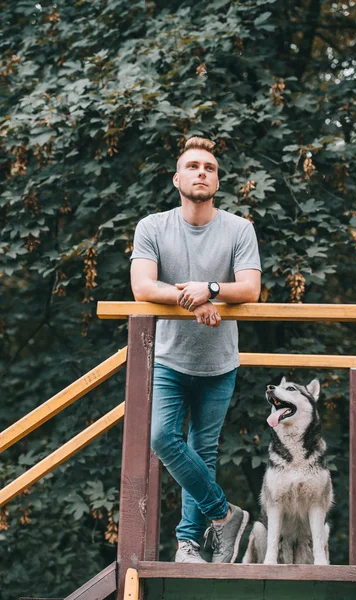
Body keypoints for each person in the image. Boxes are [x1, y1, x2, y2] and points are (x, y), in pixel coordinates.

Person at [130, 137, 261, 564]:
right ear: (177, 178)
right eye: (193, 166)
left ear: (217, 181)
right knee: (163, 438)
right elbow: (142, 287)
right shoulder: (153, 227)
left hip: (219, 362)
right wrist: (195, 301)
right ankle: (224, 515)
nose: (201, 172)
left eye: (209, 167)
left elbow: (251, 289)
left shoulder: (239, 229)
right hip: (169, 356)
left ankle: (188, 544)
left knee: (202, 451)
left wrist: (213, 288)